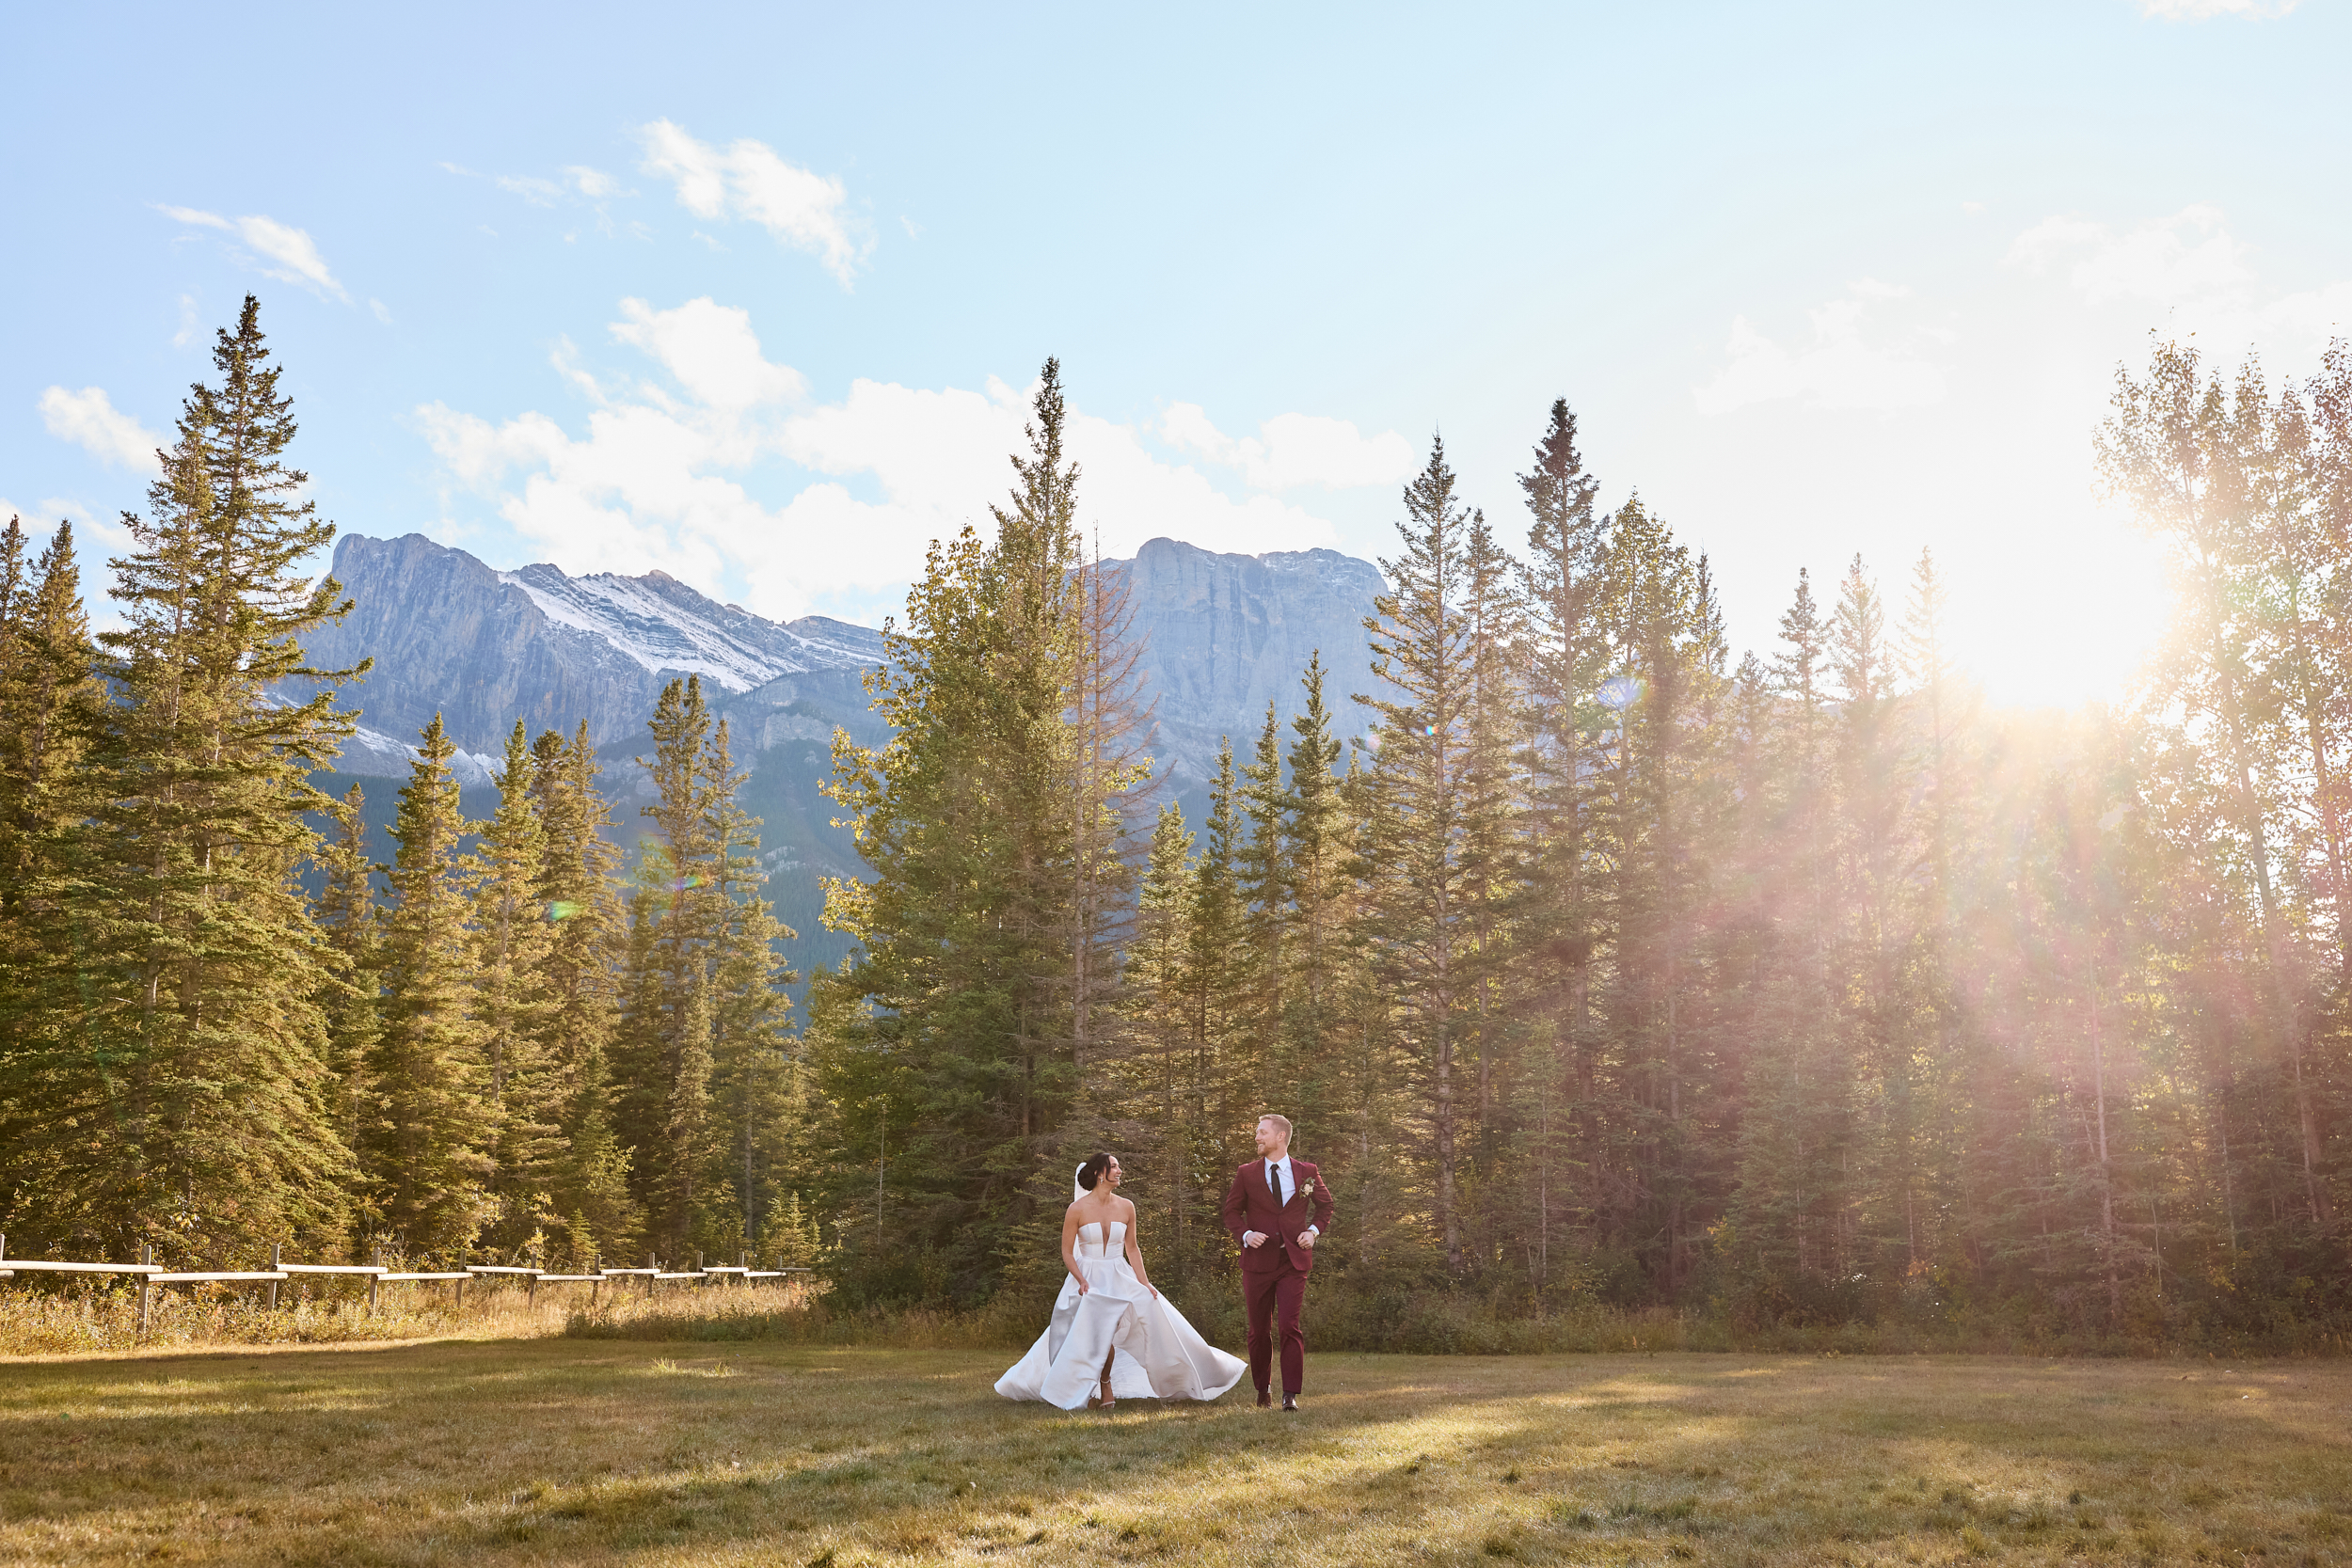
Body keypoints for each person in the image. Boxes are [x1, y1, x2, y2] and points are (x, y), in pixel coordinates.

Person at [995, 1152, 1248, 1410]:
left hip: (1118, 1274)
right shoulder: (1077, 1209)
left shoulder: (1127, 1206)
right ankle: (1096, 1387)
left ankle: (1124, 1381)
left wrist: (1145, 1283)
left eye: (1118, 1166)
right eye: (1114, 1166)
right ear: (1099, 1173)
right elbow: (1067, 1252)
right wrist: (1080, 1279)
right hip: (1087, 1277)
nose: (1120, 1171)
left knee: (1137, 1320)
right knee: (1093, 1335)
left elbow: (1133, 1248)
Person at [1220, 1113, 1334, 1411]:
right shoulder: (1246, 1173)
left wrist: (1313, 1232)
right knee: (1258, 1331)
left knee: (1289, 1327)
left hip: (1292, 1263)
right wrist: (1245, 1234)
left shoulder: (1307, 1172)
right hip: (1257, 1263)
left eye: (1262, 1132)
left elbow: (1326, 1206)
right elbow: (1231, 1212)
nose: (1257, 1137)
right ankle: (1263, 1390)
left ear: (1280, 1136)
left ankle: (1290, 1396)